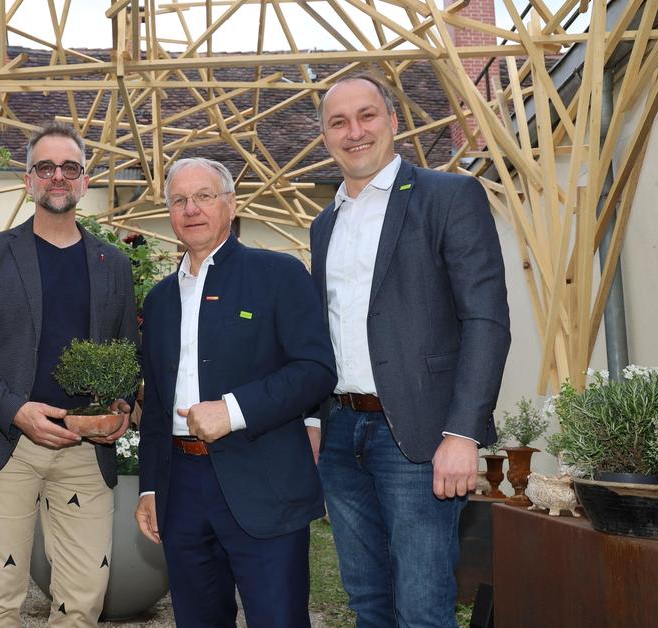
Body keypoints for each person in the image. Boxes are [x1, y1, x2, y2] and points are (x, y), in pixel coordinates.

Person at [309, 75, 510, 627]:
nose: (355, 132)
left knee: (422, 609)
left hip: (420, 440)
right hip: (343, 435)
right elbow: (322, 332)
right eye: (338, 122)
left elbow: (486, 321)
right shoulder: (323, 225)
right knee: (368, 603)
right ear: (325, 136)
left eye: (367, 116)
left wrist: (463, 434)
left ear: (393, 122)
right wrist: (313, 419)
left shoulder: (448, 196)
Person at [0, 121, 138, 627]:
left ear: (85, 179)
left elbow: (126, 355)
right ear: (29, 179)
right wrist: (16, 410)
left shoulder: (112, 263)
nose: (58, 177)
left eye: (70, 168)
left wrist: (119, 406)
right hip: (3, 445)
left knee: (84, 597)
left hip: (85, 451)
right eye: (46, 167)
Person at [135, 157, 335, 627]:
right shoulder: (160, 300)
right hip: (181, 489)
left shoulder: (279, 274)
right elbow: (159, 405)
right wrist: (148, 487)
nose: (191, 209)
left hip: (263, 480)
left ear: (230, 203)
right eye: (179, 200)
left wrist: (234, 410)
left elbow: (317, 369)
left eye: (204, 196)